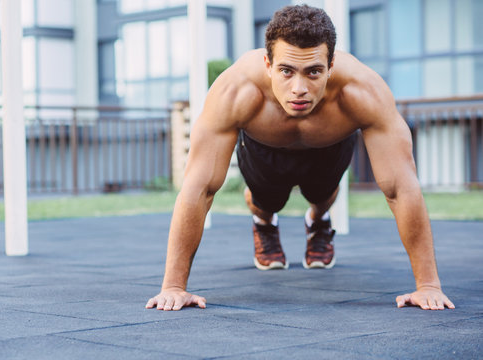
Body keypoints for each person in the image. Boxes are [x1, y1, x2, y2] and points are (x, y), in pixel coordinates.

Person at [145, 4, 455, 311]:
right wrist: (174, 286)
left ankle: (318, 221)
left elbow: (401, 187)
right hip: (265, 149)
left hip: (329, 147)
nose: (299, 89)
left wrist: (428, 285)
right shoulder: (237, 91)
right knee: (264, 201)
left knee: (324, 194)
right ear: (268, 64)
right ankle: (264, 223)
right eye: (286, 71)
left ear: (331, 64)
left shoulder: (361, 92)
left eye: (314, 72)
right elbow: (199, 187)